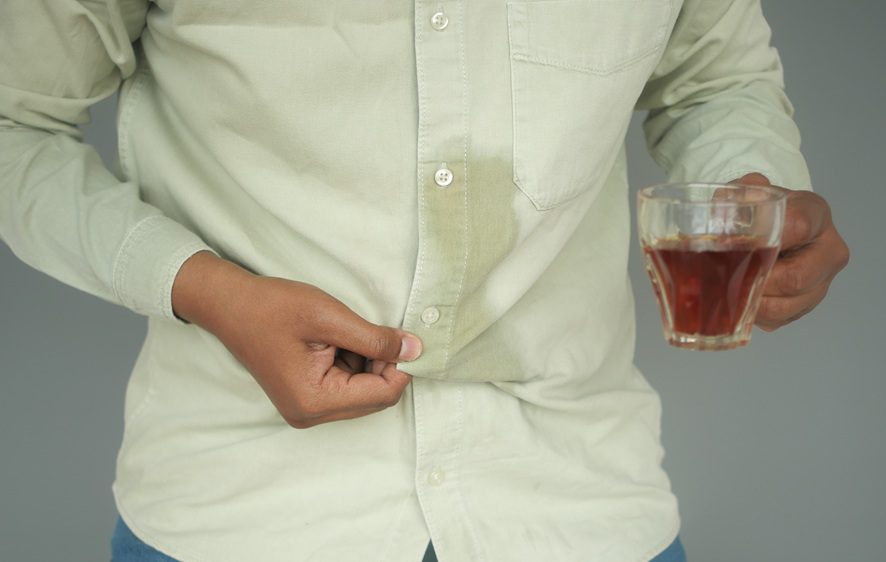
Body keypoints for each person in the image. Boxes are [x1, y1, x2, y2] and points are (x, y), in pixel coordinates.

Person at [0, 1, 848, 561]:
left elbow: (713, 79)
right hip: (242, 515)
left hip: (582, 507)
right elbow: (14, 122)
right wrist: (202, 287)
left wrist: (755, 186)